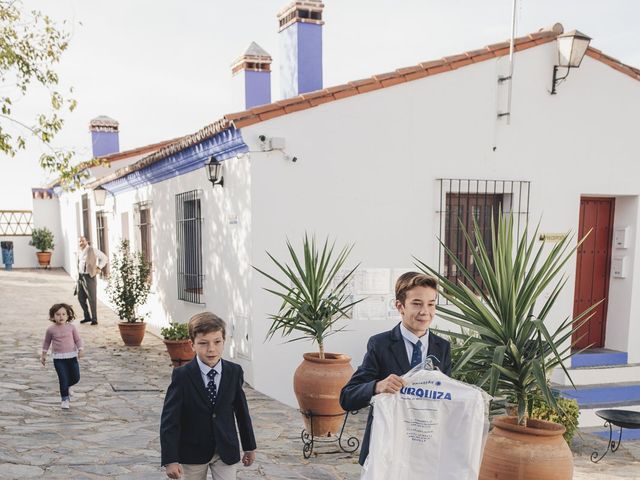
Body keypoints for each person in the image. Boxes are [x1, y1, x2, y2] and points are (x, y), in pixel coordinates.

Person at [340, 271, 452, 466]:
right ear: (400, 306)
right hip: (386, 450)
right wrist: (377, 386)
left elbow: (447, 398)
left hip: (425, 452)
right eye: (417, 303)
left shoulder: (443, 347)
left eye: (431, 304)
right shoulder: (380, 344)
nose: (425, 311)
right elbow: (347, 398)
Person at [160, 312, 256, 480]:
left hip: (226, 449)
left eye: (217, 342)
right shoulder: (182, 376)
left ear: (224, 341)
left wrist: (249, 446)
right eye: (203, 343)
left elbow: (242, 412)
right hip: (193, 452)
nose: (211, 349)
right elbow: (170, 420)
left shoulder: (234, 372)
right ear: (192, 344)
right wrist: (170, 459)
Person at [40, 303, 84, 410]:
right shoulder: (51, 330)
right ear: (53, 316)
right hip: (58, 359)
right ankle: (65, 399)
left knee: (76, 377)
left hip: (72, 357)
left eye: (64, 314)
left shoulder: (71, 328)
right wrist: (44, 355)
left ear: (68, 315)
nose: (61, 317)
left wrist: (80, 349)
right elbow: (46, 342)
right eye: (58, 314)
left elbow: (77, 340)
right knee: (63, 379)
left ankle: (68, 386)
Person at [76, 236, 108, 325]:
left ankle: (94, 319)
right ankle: (87, 317)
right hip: (80, 277)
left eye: (82, 241)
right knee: (80, 298)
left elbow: (104, 258)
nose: (81, 243)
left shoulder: (92, 250)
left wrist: (99, 267)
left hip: (89, 276)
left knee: (92, 298)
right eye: (79, 241)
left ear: (86, 241)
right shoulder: (79, 251)